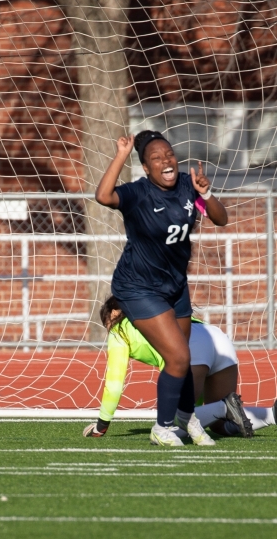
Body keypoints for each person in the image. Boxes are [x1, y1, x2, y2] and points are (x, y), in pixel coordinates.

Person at [95, 130, 227, 447]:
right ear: (146, 167)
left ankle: (187, 417)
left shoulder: (186, 184)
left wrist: (206, 194)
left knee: (183, 359)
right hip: (137, 287)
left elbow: (221, 219)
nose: (165, 161)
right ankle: (162, 427)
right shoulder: (138, 193)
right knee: (179, 357)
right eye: (156, 158)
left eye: (168, 154)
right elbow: (103, 196)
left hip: (175, 285)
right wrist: (121, 154)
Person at [83, 296, 277, 440]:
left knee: (163, 432)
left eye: (106, 323)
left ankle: (225, 407)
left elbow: (114, 384)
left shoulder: (119, 330)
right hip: (217, 339)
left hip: (192, 349)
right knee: (218, 426)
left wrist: (100, 426)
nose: (108, 329)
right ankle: (273, 414)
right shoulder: (155, 314)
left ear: (113, 314)